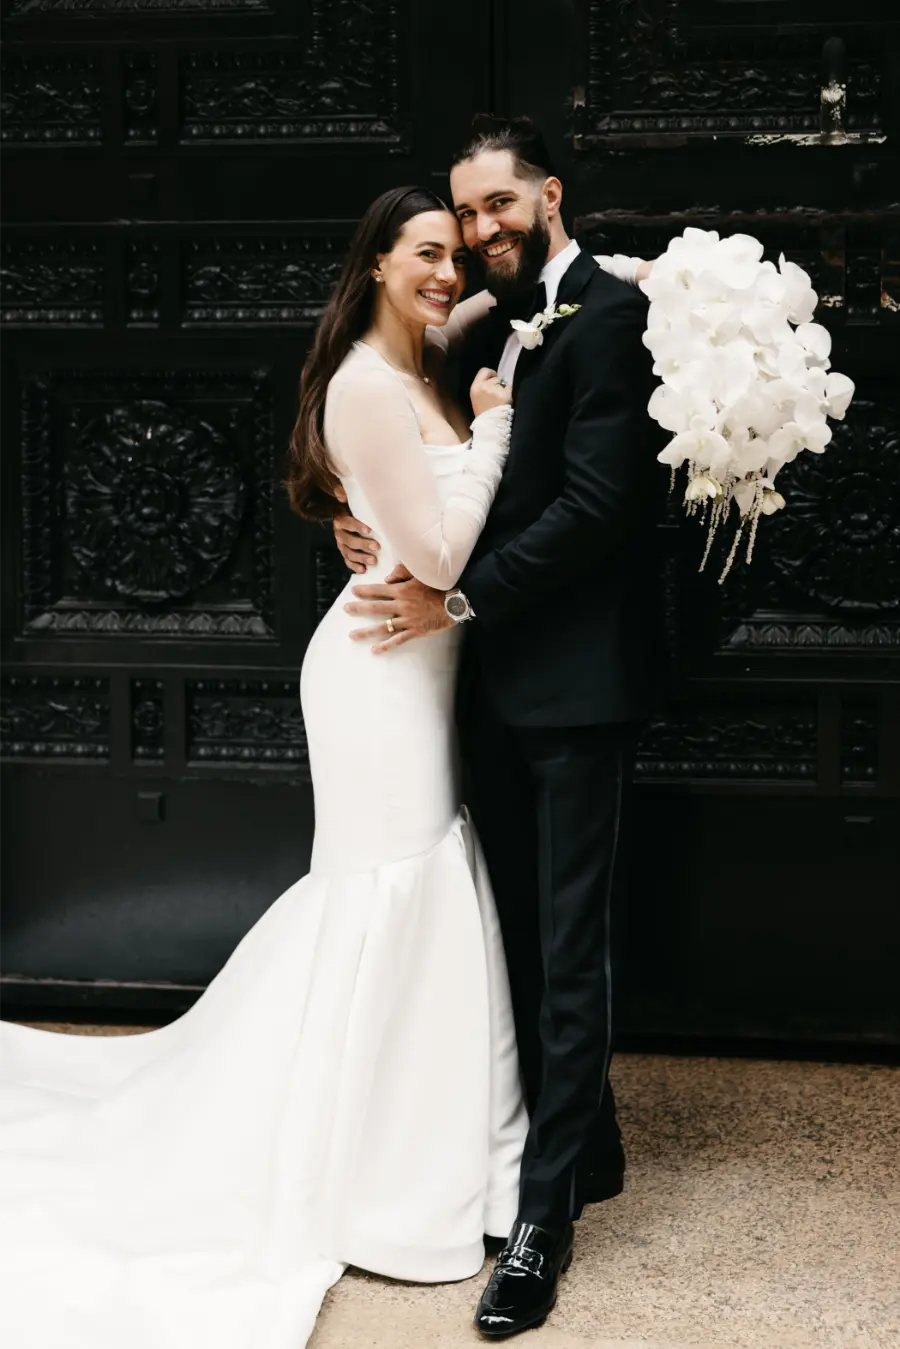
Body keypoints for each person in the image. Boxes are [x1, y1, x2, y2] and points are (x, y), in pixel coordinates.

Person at [0, 186, 531, 1349]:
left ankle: (435, 1143)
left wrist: (626, 277)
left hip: (420, 668)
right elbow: (437, 555)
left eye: (455, 253)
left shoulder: (431, 354)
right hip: (378, 671)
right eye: (426, 254)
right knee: (388, 886)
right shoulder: (365, 383)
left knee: (414, 879)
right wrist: (494, 430)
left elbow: (515, 291)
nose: (449, 273)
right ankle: (368, 1163)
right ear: (379, 263)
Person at [334, 115, 660, 1338]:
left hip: (578, 684)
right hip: (477, 683)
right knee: (520, 927)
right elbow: (382, 437)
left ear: (549, 197)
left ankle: (541, 1224)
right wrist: (350, 515)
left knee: (567, 946)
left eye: (496, 208)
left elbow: (595, 508)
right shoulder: (478, 327)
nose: (478, 233)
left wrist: (456, 595)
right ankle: (593, 1146)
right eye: (464, 216)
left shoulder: (615, 318)